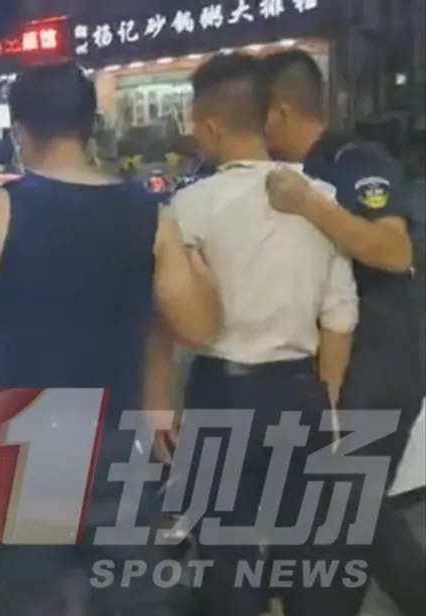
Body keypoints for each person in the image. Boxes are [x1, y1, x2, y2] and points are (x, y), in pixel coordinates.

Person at [0, 61, 220, 616]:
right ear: (91, 126)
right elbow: (198, 329)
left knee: (30, 601)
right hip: (116, 444)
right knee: (132, 601)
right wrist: (199, 264)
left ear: (20, 131)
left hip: (18, 448)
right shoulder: (150, 218)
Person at [171, 52, 361, 616]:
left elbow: (174, 316)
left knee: (225, 555)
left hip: (222, 392)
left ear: (209, 126)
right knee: (306, 554)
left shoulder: (190, 205)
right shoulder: (318, 198)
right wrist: (326, 399)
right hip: (301, 392)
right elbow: (341, 313)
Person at [262, 49, 426, 616]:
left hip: (376, 364)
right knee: (344, 514)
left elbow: (393, 250)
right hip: (331, 364)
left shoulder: (354, 162)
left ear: (280, 111)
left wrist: (310, 205)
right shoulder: (290, 173)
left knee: (352, 505)